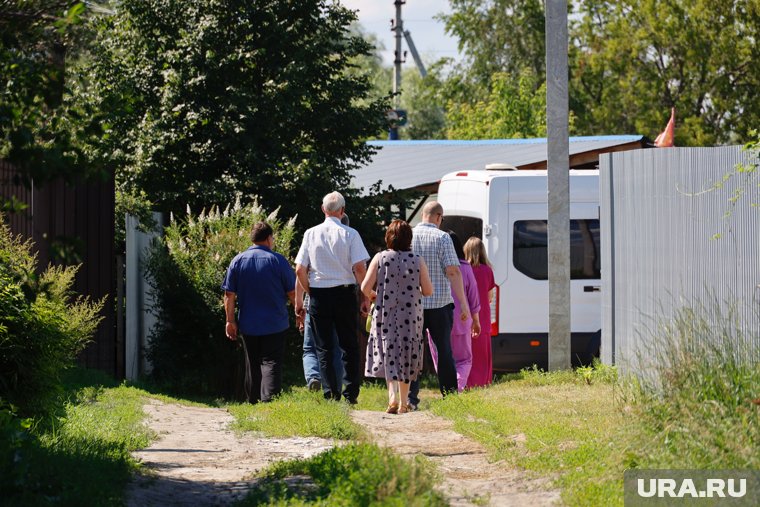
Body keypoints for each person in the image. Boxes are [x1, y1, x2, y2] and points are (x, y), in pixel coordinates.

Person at [294, 191, 369, 404]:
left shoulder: (310, 233)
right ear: (342, 210)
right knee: (349, 345)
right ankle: (350, 393)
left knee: (324, 347)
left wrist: (310, 291)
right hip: (345, 293)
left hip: (319, 293)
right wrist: (365, 297)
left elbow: (300, 269)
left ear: (323, 209)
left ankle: (331, 393)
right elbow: (359, 268)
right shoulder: (351, 234)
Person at [362, 220, 433, 414]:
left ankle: (391, 397)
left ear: (388, 237)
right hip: (410, 316)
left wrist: (374, 295)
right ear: (409, 238)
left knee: (389, 350)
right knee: (407, 354)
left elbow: (365, 287)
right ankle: (403, 403)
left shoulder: (380, 258)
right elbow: (428, 290)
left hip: (385, 313)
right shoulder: (417, 259)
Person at [222, 221, 296, 403]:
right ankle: (270, 400)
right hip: (275, 322)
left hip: (249, 322)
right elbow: (293, 292)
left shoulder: (237, 261)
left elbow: (229, 295)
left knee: (252, 362)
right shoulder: (278, 261)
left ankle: (253, 400)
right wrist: (300, 313)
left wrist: (230, 321)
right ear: (269, 238)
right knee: (271, 362)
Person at [407, 201, 471, 410]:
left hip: (413, 304)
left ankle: (410, 397)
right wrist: (463, 303)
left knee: (413, 350)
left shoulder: (409, 236)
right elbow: (453, 271)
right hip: (440, 304)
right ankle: (450, 396)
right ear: (438, 217)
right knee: (444, 350)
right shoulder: (443, 238)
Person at [297, 213, 351, 392]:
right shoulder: (348, 241)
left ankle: (313, 376)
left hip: (313, 301)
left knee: (310, 347)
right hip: (340, 300)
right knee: (334, 348)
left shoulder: (314, 239)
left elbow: (300, 273)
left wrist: (301, 300)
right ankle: (334, 387)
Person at [429, 232, 480, 392]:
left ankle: (448, 389)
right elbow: (473, 295)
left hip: (436, 317)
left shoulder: (433, 266)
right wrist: (476, 320)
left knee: (441, 358)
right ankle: (457, 387)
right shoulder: (465, 267)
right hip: (461, 321)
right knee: (464, 360)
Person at [464, 236, 497, 388]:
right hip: (482, 317)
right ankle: (483, 382)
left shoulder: (463, 269)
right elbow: (490, 297)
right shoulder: (487, 271)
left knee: (467, 353)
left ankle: (468, 382)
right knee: (483, 354)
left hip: (466, 317)